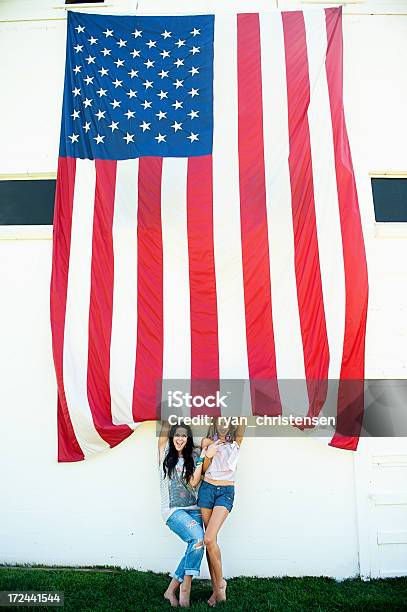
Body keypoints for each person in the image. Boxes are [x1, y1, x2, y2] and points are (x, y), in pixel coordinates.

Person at [158, 420, 217, 608]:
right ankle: (186, 587)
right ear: (171, 437)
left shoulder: (194, 455)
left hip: (195, 509)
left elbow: (193, 483)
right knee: (198, 539)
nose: (180, 438)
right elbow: (164, 427)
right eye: (177, 435)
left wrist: (203, 451)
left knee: (197, 544)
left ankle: (171, 590)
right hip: (173, 510)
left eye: (184, 435)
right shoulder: (165, 452)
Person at [198, 417, 246, 606]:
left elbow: (243, 416)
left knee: (209, 539)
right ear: (215, 422)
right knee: (211, 542)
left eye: (228, 419)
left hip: (225, 492)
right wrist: (208, 454)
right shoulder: (207, 442)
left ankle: (220, 584)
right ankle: (215, 588)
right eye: (221, 419)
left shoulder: (237, 441)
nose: (224, 422)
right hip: (207, 490)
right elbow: (203, 470)